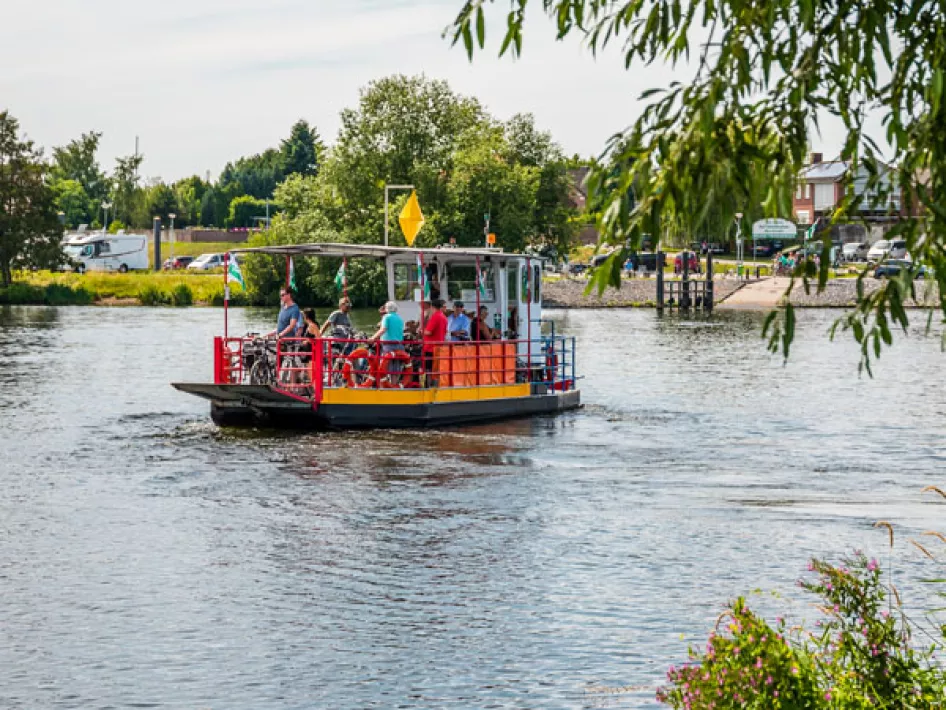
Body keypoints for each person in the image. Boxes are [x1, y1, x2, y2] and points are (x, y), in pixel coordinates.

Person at [422, 299, 448, 385]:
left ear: (433, 307)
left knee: (429, 369)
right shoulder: (444, 317)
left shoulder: (435, 316)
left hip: (430, 348)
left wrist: (421, 331)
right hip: (439, 347)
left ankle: (429, 386)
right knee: (436, 368)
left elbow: (428, 332)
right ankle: (436, 385)